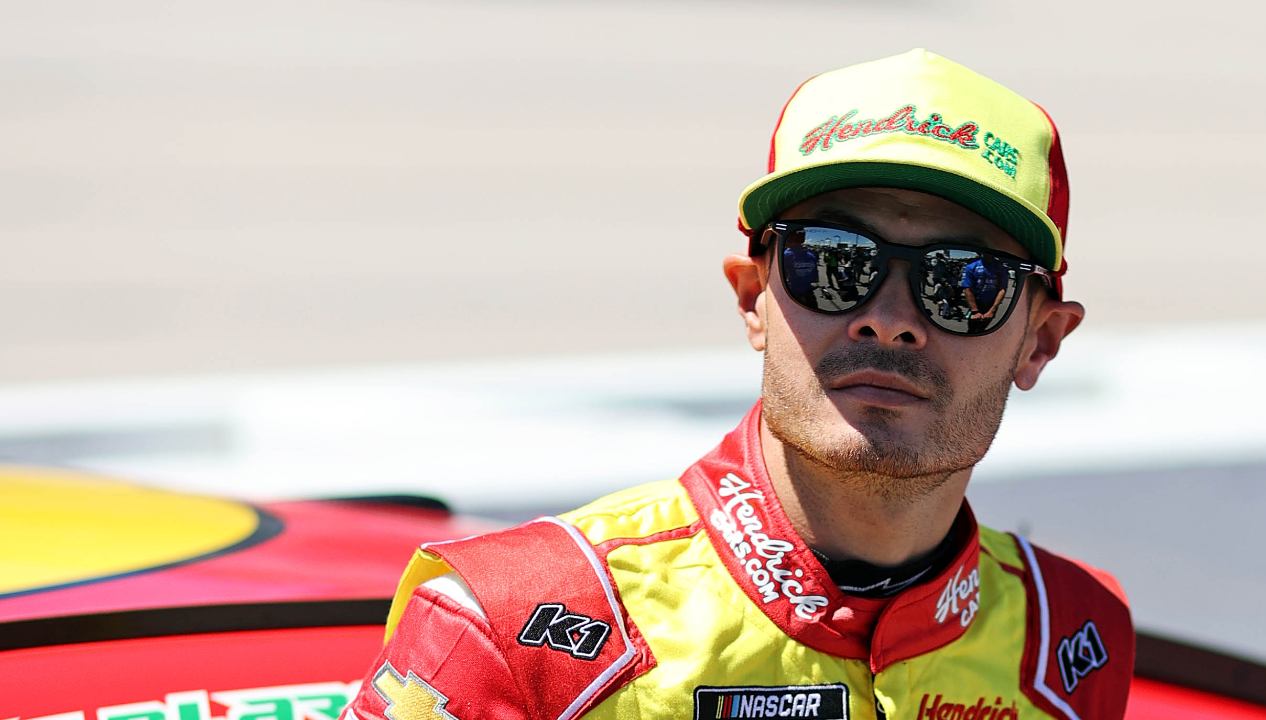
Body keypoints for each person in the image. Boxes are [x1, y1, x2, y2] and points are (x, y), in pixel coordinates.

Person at [346, 48, 1133, 720]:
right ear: (755, 299)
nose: (889, 320)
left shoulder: (1072, 637)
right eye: (832, 261)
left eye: (964, 282)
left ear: (1040, 342)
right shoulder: (511, 619)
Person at [960, 255, 1011, 333]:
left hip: (991, 303)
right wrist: (974, 310)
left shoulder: (1000, 268)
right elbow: (967, 289)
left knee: (982, 329)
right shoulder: (972, 266)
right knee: (971, 329)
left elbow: (1002, 289)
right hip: (977, 302)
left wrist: (992, 310)